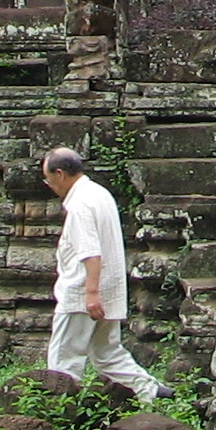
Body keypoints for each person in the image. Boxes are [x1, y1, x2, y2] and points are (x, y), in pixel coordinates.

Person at [43, 147, 163, 399]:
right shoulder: (99, 193)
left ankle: (59, 407)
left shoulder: (80, 204)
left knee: (63, 356)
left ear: (60, 173)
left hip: (82, 293)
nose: (50, 186)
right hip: (108, 289)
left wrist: (91, 292)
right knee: (106, 352)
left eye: (49, 179)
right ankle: (151, 390)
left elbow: (90, 252)